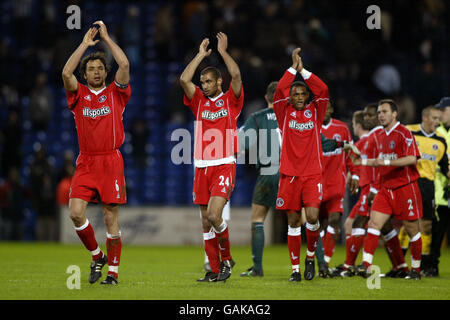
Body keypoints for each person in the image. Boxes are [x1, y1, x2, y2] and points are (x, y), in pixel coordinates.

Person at [238, 81, 355, 278]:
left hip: (271, 172)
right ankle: (322, 266)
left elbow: (242, 143)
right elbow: (322, 143)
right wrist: (343, 144)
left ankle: (257, 267)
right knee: (307, 220)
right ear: (284, 98)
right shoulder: (291, 114)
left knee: (258, 219)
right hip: (291, 171)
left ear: (267, 98)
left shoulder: (258, 118)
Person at [62, 21, 131, 285]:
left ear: (105, 72)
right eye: (91, 69)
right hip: (86, 161)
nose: (96, 72)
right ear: (85, 74)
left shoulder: (116, 93)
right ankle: (96, 255)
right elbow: (65, 73)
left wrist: (107, 37)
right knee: (76, 212)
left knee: (109, 215)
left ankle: (112, 273)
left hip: (110, 159)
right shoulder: (78, 94)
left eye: (100, 68)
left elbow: (124, 65)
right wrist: (84, 45)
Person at [180, 33, 243, 282]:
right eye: (202, 82)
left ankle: (226, 259)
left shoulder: (231, 100)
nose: (204, 85)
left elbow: (236, 76)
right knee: (206, 223)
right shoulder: (197, 102)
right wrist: (200, 55)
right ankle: (215, 269)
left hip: (224, 163)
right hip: (201, 166)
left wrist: (223, 52)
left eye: (208, 81)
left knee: (215, 216)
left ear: (219, 82)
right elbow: (184, 78)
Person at [273, 47, 329, 282]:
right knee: (294, 221)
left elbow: (323, 89)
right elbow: (279, 90)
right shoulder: (283, 113)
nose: (296, 97)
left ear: (306, 97)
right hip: (289, 175)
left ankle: (309, 257)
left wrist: (303, 70)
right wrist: (291, 68)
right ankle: (295, 269)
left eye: (301, 94)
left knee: (313, 217)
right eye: (293, 94)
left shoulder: (315, 112)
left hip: (312, 174)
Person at [351, 99, 423, 280]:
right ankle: (366, 265)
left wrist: (388, 162)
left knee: (411, 229)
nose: (380, 115)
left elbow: (412, 158)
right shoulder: (380, 135)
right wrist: (362, 162)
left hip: (405, 187)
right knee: (374, 224)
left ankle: (416, 270)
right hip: (386, 189)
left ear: (394, 114)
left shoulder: (404, 133)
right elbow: (379, 161)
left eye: (384, 112)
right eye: (379, 113)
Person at [343, 105, 409, 278]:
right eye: (367, 115)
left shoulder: (380, 135)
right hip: (369, 187)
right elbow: (365, 161)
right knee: (385, 228)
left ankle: (350, 266)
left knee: (358, 223)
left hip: (376, 188)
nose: (368, 118)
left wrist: (373, 188)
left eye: (372, 115)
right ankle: (401, 266)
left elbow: (379, 163)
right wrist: (354, 175)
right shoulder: (373, 136)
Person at [403, 106, 449, 275]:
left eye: (439, 119)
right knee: (407, 223)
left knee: (427, 226)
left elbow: (445, 168)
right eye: (435, 118)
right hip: (410, 183)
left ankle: (421, 264)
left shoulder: (440, 141)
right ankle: (399, 263)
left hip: (428, 186)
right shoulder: (409, 132)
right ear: (425, 117)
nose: (437, 122)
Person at [319, 101, 353, 273]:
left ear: (332, 109)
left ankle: (325, 262)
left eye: (327, 108)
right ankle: (318, 259)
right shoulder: (311, 128)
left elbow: (350, 152)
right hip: (316, 183)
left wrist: (353, 174)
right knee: (318, 223)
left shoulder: (342, 128)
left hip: (336, 184)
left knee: (334, 221)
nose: (324, 111)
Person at [429, 97, 450, 276]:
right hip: (439, 189)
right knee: (437, 230)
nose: (440, 114)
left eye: (443, 110)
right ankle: (431, 266)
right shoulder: (438, 132)